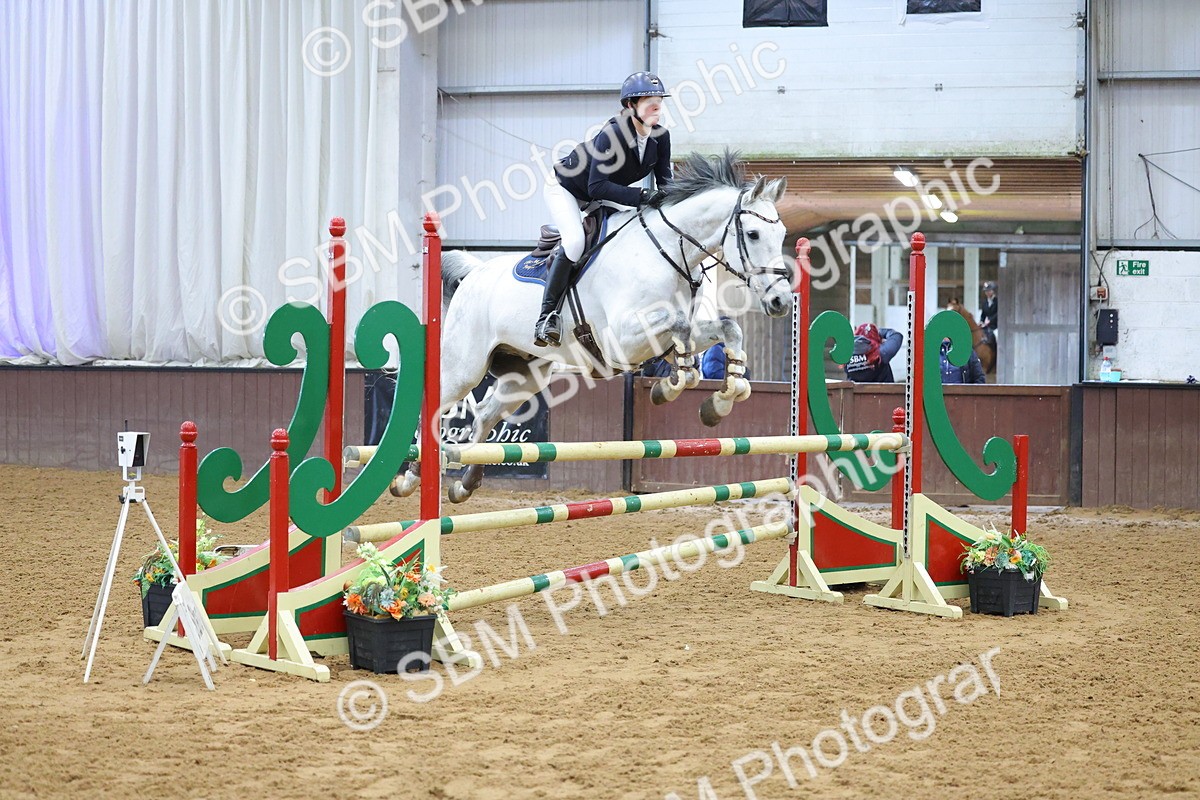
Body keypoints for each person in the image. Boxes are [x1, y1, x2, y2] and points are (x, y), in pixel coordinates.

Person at [534, 72, 674, 347]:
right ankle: (546, 317)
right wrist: (644, 195)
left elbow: (665, 182)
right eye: (650, 102)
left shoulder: (661, 137)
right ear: (632, 106)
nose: (656, 107)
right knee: (574, 243)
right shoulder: (612, 134)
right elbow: (597, 187)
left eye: (659, 101)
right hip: (567, 189)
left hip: (602, 191)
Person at [979, 280, 998, 347]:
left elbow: (998, 314)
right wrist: (981, 321)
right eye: (986, 291)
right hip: (987, 326)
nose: (987, 293)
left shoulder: (997, 301)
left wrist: (990, 320)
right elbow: (983, 314)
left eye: (989, 290)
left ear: (993, 291)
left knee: (997, 337)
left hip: (996, 326)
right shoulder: (985, 302)